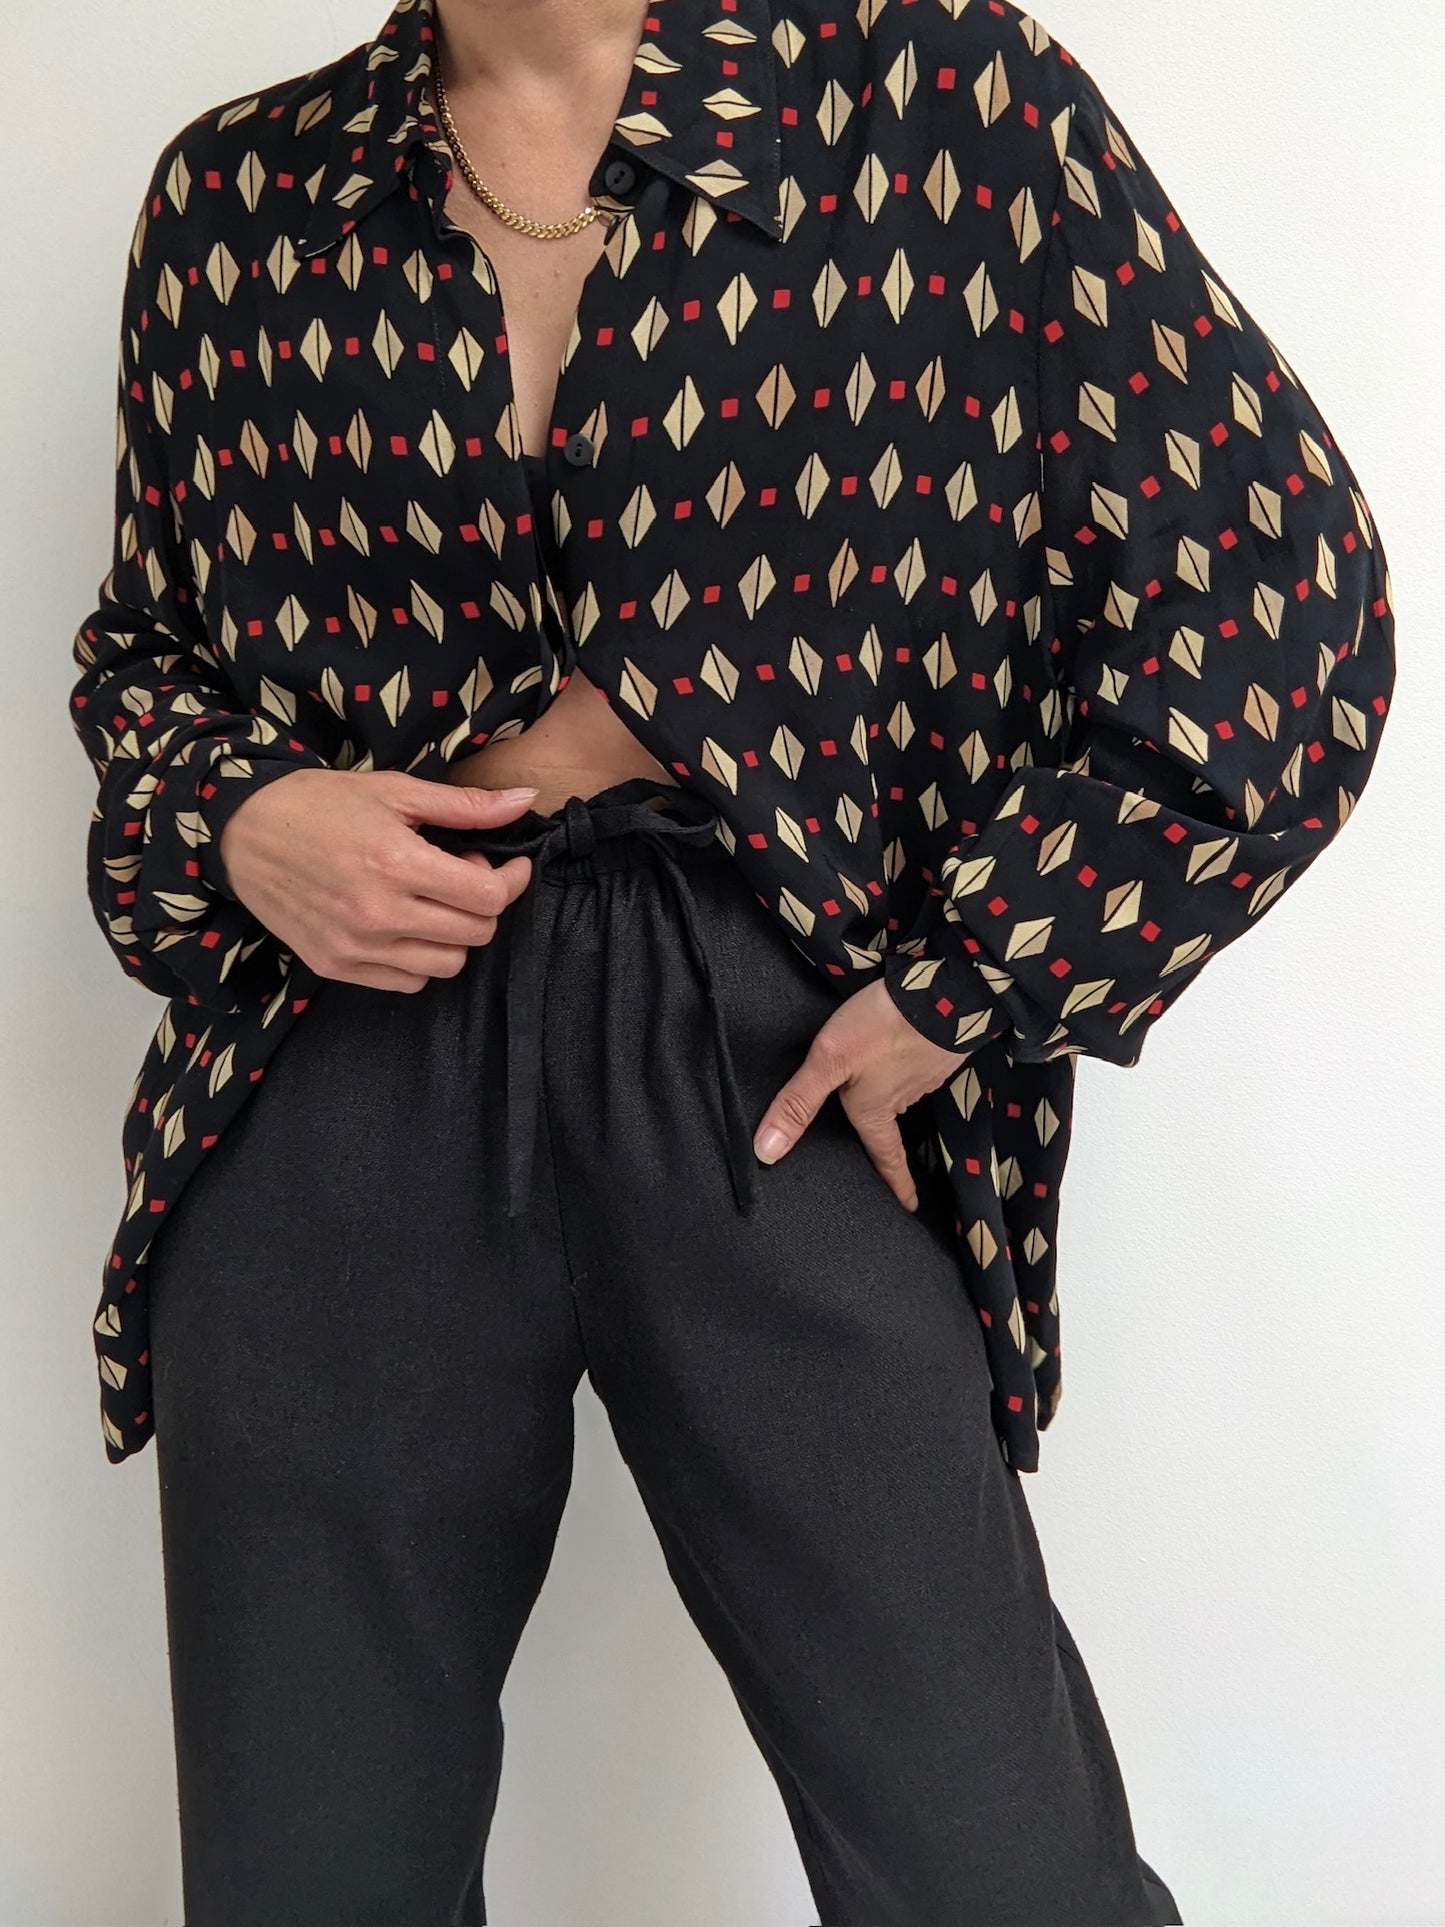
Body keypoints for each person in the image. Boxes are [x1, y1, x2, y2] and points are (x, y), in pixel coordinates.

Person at [67, 0, 1394, 1919]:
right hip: (344, 1054)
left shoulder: (940, 98)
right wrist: (237, 819)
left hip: (781, 1034)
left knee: (993, 1862)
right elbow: (148, 654)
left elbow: (1277, 590)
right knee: (311, 1873)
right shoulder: (240, 195)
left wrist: (974, 976)